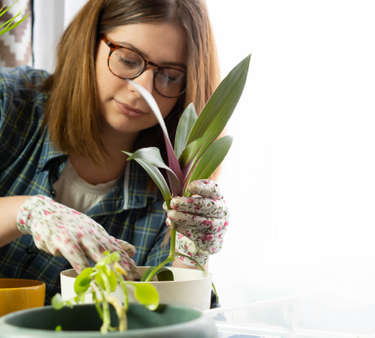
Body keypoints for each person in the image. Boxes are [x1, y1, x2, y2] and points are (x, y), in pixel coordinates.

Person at [0, 0, 228, 305]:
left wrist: (191, 259)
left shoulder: (171, 187)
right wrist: (26, 212)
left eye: (170, 75)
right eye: (129, 60)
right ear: (89, 43)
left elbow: (172, 321)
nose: (141, 89)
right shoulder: (11, 105)